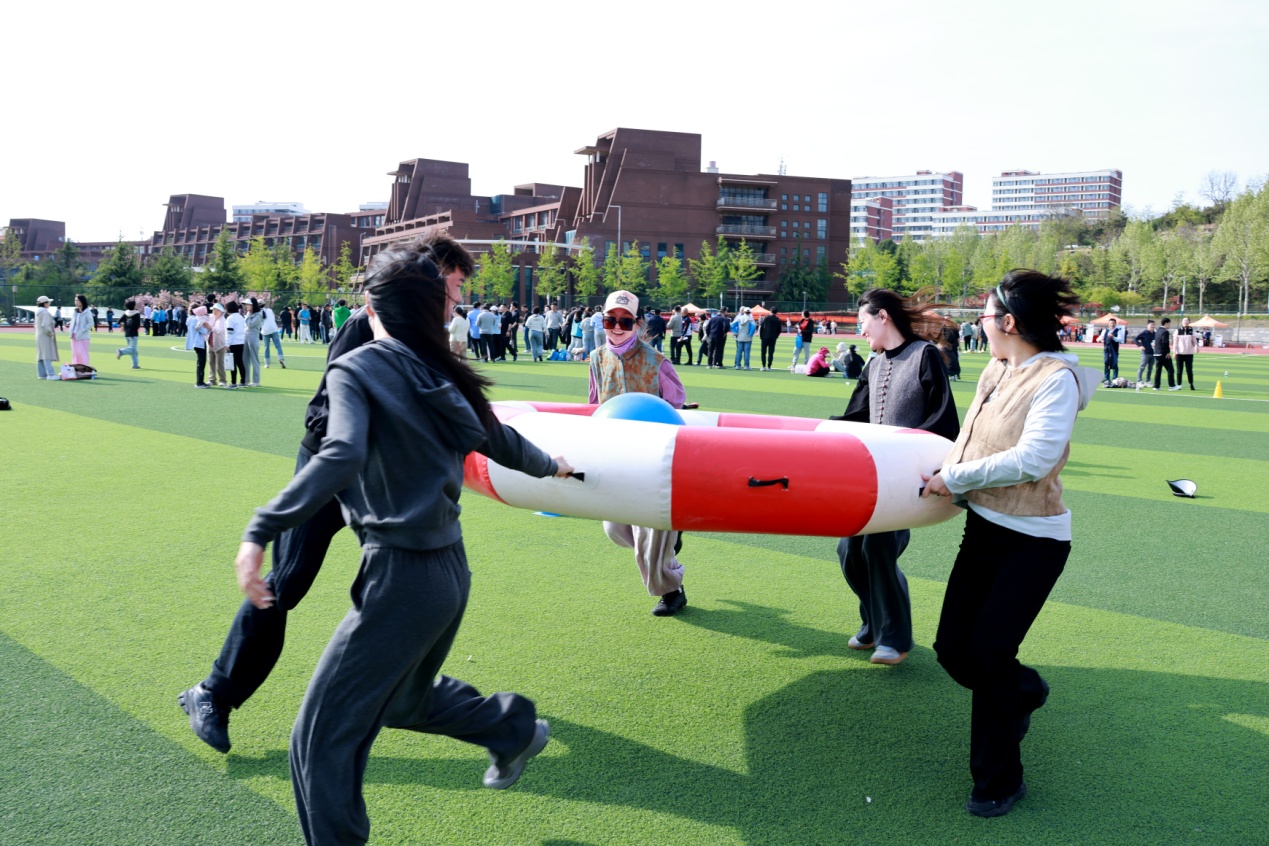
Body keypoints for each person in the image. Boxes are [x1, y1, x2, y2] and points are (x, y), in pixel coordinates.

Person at [228, 242, 572, 845]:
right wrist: (553, 466)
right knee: (403, 702)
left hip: (400, 580)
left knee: (318, 740)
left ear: (371, 306)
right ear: (434, 306)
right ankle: (510, 728)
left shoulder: (357, 367)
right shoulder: (439, 368)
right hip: (448, 576)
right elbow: (499, 440)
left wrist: (262, 527)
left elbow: (340, 453)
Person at [177, 234, 480, 758]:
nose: (458, 299)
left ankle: (414, 690)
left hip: (389, 480)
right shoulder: (365, 325)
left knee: (422, 575)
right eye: (454, 286)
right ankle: (212, 693)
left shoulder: (431, 334)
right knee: (286, 584)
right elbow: (327, 411)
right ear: (425, 279)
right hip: (333, 471)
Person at [921, 269, 1096, 818]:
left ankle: (999, 780)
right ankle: (1023, 692)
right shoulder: (996, 368)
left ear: (1010, 322)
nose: (981, 324)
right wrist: (938, 469)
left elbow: (1035, 459)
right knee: (953, 649)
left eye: (986, 315)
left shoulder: (1057, 379)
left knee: (991, 651)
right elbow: (970, 439)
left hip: (1034, 541)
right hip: (984, 529)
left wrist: (954, 478)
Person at [829, 289, 960, 666]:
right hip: (869, 479)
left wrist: (925, 462)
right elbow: (855, 418)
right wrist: (816, 434)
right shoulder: (872, 365)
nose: (860, 330)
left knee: (878, 550)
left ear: (883, 316)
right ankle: (874, 624)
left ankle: (895, 638)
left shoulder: (925, 355)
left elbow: (943, 418)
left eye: (863, 321)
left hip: (906, 480)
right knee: (849, 552)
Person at [588, 289, 690, 616]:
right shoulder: (596, 358)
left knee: (649, 535)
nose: (617, 327)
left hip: (653, 461)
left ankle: (671, 591)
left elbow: (676, 408)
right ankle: (668, 543)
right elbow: (594, 404)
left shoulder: (657, 361)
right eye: (610, 320)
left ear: (637, 323)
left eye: (625, 321)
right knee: (615, 530)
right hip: (614, 458)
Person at [35, 295, 60, 379]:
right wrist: (50, 333)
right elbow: (45, 325)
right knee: (47, 354)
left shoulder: (38, 312)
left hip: (39, 335)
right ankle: (50, 374)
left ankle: (42, 374)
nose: (49, 304)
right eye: (48, 302)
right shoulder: (45, 312)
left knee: (41, 354)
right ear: (45, 303)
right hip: (45, 335)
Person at [186, 306, 211, 387]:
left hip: (195, 342)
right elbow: (204, 331)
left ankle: (200, 381)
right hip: (199, 343)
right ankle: (199, 382)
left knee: (200, 362)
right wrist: (208, 327)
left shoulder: (190, 319)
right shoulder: (196, 320)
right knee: (201, 362)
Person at [1152, 317, 1179, 391]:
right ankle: (1172, 385)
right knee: (1170, 369)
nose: (1170, 325)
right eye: (1169, 323)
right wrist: (1167, 352)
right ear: (1166, 323)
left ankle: (1156, 386)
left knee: (1158, 370)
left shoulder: (1158, 331)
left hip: (1157, 353)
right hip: (1163, 353)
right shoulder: (1165, 332)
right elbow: (1165, 342)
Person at [224, 301, 247, 388]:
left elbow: (229, 332)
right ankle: (243, 381)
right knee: (240, 362)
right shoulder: (241, 317)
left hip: (233, 343)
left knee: (232, 363)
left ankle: (233, 382)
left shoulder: (230, 318)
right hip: (241, 342)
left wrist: (227, 343)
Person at [115, 300, 142, 369]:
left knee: (134, 350)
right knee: (132, 349)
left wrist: (123, 326)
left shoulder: (126, 313)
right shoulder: (136, 314)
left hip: (127, 333)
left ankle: (135, 364)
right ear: (133, 306)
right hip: (133, 333)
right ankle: (121, 351)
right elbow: (137, 324)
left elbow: (119, 321)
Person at [243, 298, 264, 387]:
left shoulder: (259, 314)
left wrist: (248, 315)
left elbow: (250, 324)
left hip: (254, 336)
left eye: (248, 304)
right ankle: (246, 379)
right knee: (245, 359)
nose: (246, 306)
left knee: (254, 359)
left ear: (253, 305)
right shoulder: (249, 313)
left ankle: (256, 380)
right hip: (246, 335)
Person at [207, 303, 228, 386]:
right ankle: (212, 379)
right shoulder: (211, 317)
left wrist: (209, 327)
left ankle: (222, 380)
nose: (214, 311)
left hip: (220, 344)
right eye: (213, 310)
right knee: (211, 362)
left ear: (220, 311)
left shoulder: (222, 320)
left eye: (216, 310)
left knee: (220, 364)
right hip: (210, 343)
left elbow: (218, 330)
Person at [1174, 316, 1198, 390]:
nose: (1185, 322)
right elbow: (1175, 343)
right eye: (1184, 320)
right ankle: (1179, 385)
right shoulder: (1178, 331)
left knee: (1189, 370)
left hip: (1189, 353)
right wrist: (1174, 352)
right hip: (1179, 353)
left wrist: (1196, 346)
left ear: (1189, 322)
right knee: (1179, 370)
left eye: (1187, 320)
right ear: (1182, 322)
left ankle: (1191, 384)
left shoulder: (1191, 331)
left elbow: (1194, 341)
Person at [70, 295, 93, 366]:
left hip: (83, 336)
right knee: (75, 353)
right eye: (75, 300)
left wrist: (83, 329)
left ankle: (85, 368)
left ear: (82, 301)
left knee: (82, 353)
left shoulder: (87, 312)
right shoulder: (75, 311)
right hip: (74, 335)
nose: (76, 302)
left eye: (78, 300)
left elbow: (91, 323)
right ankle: (76, 368)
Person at [261, 302, 286, 369]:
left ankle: (267, 363)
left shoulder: (258, 312)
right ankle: (281, 358)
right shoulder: (269, 310)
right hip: (274, 329)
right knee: (278, 346)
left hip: (265, 331)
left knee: (266, 347)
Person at [1134, 319, 1156, 384]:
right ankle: (1139, 380)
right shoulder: (1144, 333)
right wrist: (1140, 346)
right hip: (1145, 353)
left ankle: (1147, 381)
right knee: (1142, 367)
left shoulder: (1155, 333)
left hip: (1153, 353)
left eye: (1154, 325)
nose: (1153, 326)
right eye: (1151, 324)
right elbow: (1135, 339)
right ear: (1147, 325)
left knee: (1150, 368)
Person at [1101, 317, 1121, 384]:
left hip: (1114, 349)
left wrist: (1113, 337)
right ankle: (1106, 378)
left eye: (1113, 323)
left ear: (1115, 324)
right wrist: (1099, 339)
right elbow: (1101, 337)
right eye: (1110, 323)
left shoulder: (1118, 331)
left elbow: (1120, 339)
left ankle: (1114, 378)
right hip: (1106, 349)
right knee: (1106, 363)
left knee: (1114, 363)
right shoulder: (1105, 330)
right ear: (1108, 324)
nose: (1111, 324)